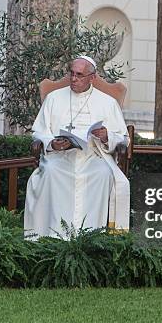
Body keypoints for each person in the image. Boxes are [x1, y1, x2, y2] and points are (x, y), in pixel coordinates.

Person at [24, 56, 130, 239]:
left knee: (104, 174)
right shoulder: (54, 98)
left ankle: (91, 236)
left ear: (92, 77)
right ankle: (51, 235)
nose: (74, 79)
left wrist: (107, 137)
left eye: (79, 75)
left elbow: (123, 138)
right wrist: (51, 143)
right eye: (72, 74)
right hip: (60, 157)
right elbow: (38, 131)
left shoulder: (108, 103)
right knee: (49, 172)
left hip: (94, 156)